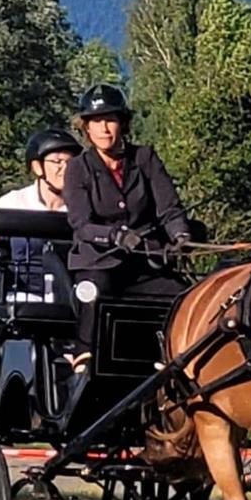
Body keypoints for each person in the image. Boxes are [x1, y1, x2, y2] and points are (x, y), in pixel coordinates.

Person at [62, 84, 191, 370]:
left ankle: (169, 356)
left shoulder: (145, 158)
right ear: (86, 127)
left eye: (110, 120)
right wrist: (115, 235)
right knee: (93, 289)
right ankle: (84, 358)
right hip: (99, 261)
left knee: (182, 294)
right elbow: (81, 224)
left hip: (145, 262)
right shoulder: (77, 168)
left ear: (122, 123)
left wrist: (181, 238)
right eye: (97, 121)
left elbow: (169, 209)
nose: (104, 128)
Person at [0, 129, 81, 300]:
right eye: (57, 162)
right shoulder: (15, 202)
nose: (64, 169)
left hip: (69, 295)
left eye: (70, 162)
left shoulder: (83, 206)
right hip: (19, 294)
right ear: (37, 166)